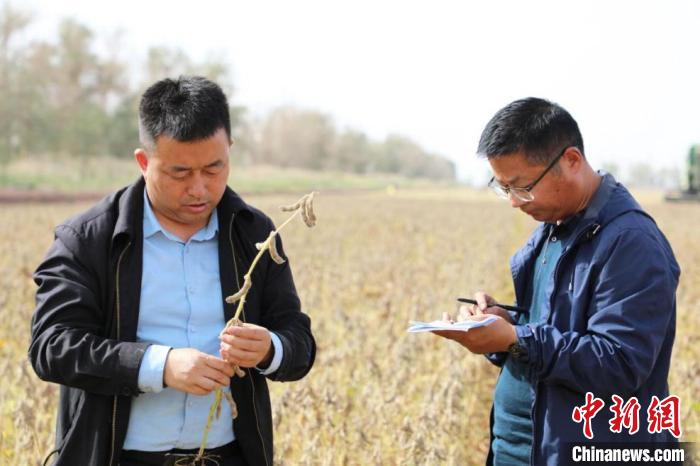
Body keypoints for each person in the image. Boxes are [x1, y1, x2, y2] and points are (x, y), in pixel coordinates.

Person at [29, 76, 316, 466]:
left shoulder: (255, 235)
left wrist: (270, 348)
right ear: (144, 162)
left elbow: (298, 339)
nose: (199, 189)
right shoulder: (87, 239)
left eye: (214, 169)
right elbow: (53, 347)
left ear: (229, 150)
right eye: (180, 173)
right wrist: (159, 366)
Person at [433, 97, 680, 465]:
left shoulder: (631, 243)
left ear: (572, 161)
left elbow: (620, 364)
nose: (515, 202)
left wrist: (517, 338)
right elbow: (550, 329)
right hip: (521, 449)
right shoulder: (554, 228)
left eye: (522, 187)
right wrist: (502, 324)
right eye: (504, 188)